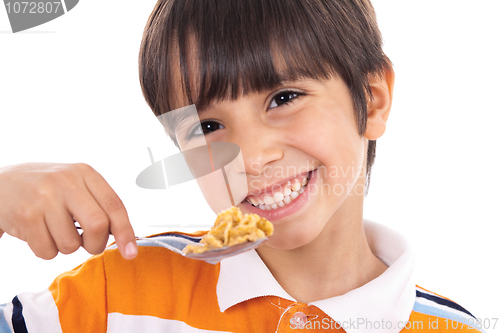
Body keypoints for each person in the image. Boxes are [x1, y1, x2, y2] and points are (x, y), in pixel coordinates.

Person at [0, 0, 486, 332]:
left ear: (372, 100)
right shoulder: (114, 296)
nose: (252, 158)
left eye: (284, 97)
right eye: (207, 128)